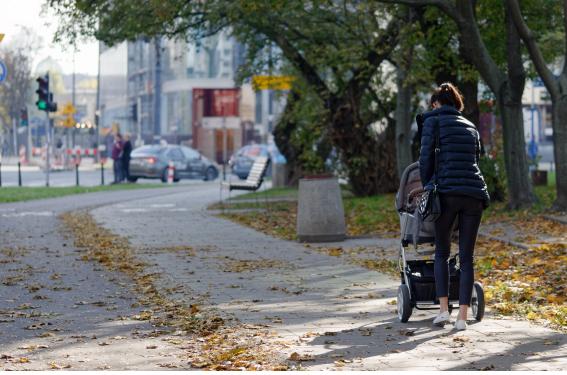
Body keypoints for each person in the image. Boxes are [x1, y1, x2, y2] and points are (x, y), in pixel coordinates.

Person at [419, 82, 490, 331]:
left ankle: (443, 312)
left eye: (433, 104)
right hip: (474, 194)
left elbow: (425, 159)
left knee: (441, 251)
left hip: (446, 192)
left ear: (437, 104)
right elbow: (476, 158)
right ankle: (462, 318)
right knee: (467, 256)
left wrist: (429, 185)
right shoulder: (470, 125)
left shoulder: (432, 121)